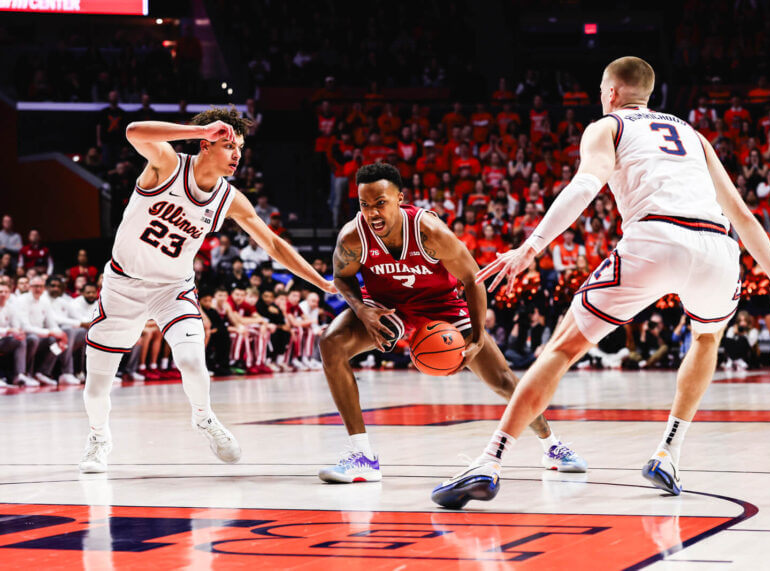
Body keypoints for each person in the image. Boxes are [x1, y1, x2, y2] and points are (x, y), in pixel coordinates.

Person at [432, 56, 770, 509]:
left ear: (610, 92)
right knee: (706, 340)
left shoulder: (607, 125)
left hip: (655, 235)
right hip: (717, 246)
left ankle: (490, 461)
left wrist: (531, 246)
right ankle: (669, 452)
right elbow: (744, 216)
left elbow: (584, 186)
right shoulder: (693, 135)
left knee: (562, 349)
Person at [79, 106, 335, 473]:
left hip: (173, 289)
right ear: (207, 143)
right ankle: (99, 438)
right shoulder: (167, 163)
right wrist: (193, 129)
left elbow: (274, 245)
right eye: (230, 145)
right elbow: (134, 130)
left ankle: (204, 418)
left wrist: (319, 280)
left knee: (191, 361)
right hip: (123, 285)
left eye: (241, 148)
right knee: (96, 386)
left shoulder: (229, 200)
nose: (237, 155)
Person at [317, 163, 583, 484]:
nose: (372, 213)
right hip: (388, 307)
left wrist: (479, 337)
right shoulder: (352, 237)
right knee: (330, 344)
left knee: (502, 379)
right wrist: (361, 309)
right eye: (365, 205)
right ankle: (362, 456)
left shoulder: (430, 232)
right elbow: (341, 278)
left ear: (399, 199)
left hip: (442, 305)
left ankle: (552, 447)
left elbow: (473, 279)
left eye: (380, 203)